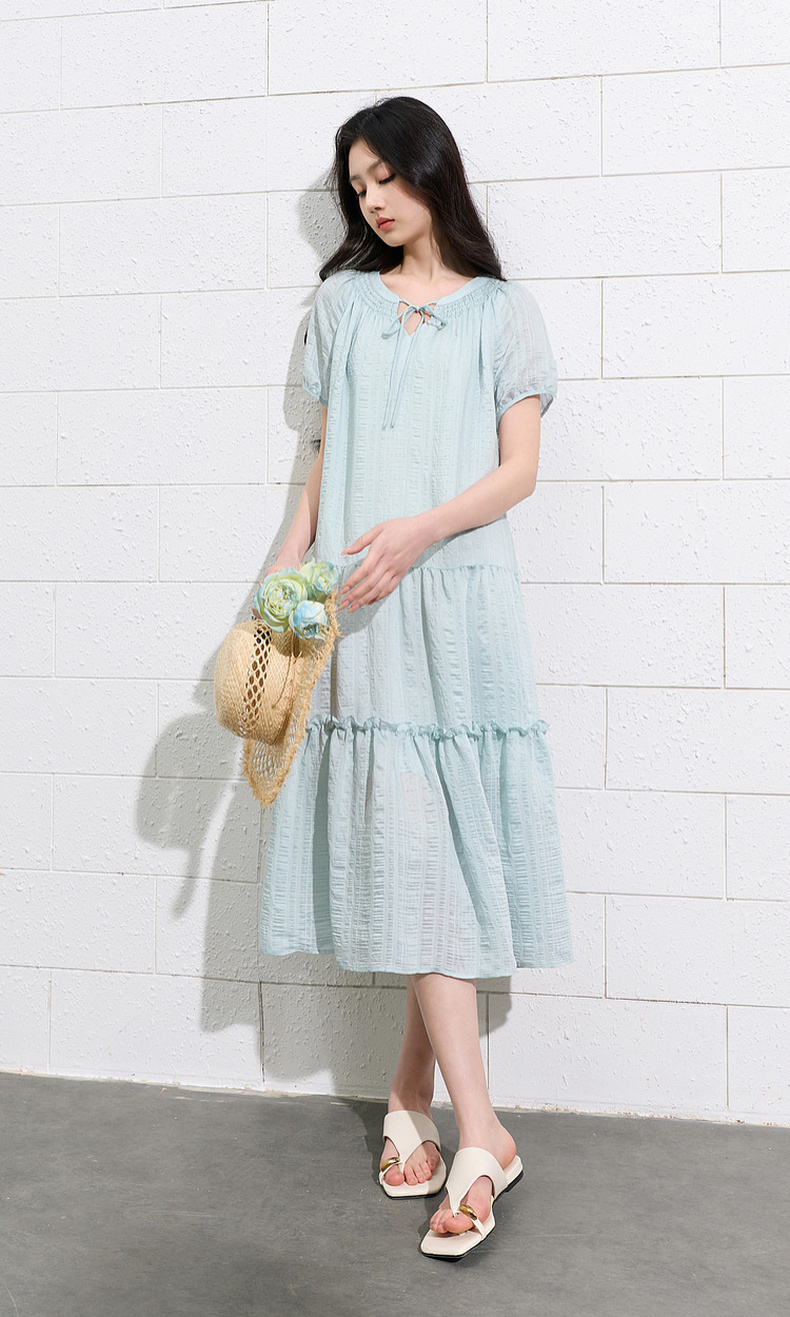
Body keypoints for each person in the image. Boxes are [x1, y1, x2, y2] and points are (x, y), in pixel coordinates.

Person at [258, 95, 574, 1258]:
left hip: (457, 601)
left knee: (430, 854)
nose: (374, 200)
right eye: (357, 187)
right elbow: (323, 456)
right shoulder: (343, 304)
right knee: (414, 851)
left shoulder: (503, 312)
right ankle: (459, 1121)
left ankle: (447, 1117)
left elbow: (518, 471)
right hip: (359, 606)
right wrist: (286, 569)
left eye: (387, 176)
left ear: (432, 171)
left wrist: (420, 530)